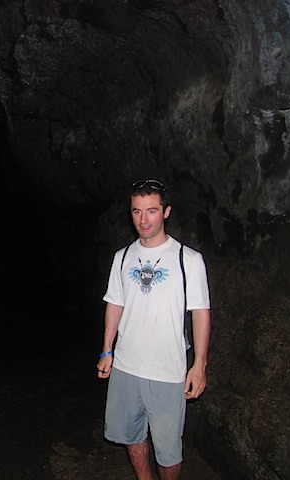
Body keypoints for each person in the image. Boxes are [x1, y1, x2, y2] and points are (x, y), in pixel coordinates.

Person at [96, 179, 211, 480]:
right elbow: (115, 304)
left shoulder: (189, 260)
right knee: (132, 436)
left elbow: (200, 313)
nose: (143, 220)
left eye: (151, 211)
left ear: (166, 212)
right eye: (137, 212)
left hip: (167, 370)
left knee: (168, 450)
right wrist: (107, 349)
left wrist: (199, 365)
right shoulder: (122, 258)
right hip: (126, 366)